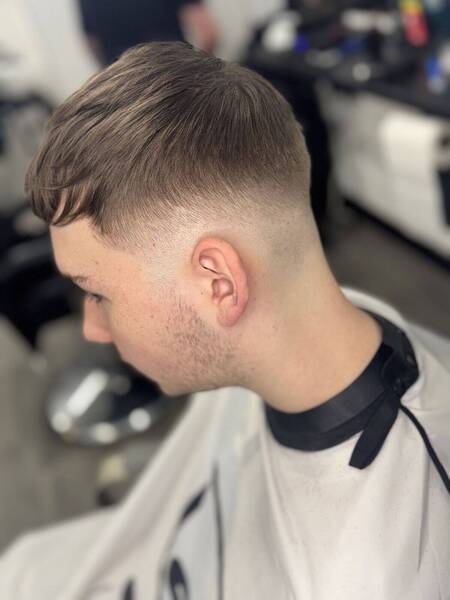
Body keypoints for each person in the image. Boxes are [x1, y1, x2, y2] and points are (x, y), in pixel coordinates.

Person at [0, 41, 449, 600]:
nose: (92, 329)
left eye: (97, 294)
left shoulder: (380, 572)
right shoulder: (297, 337)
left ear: (219, 284)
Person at [78, 0, 218, 65]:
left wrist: (111, 72)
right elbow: (207, 34)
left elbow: (92, 42)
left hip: (125, 81)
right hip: (175, 72)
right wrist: (202, 73)